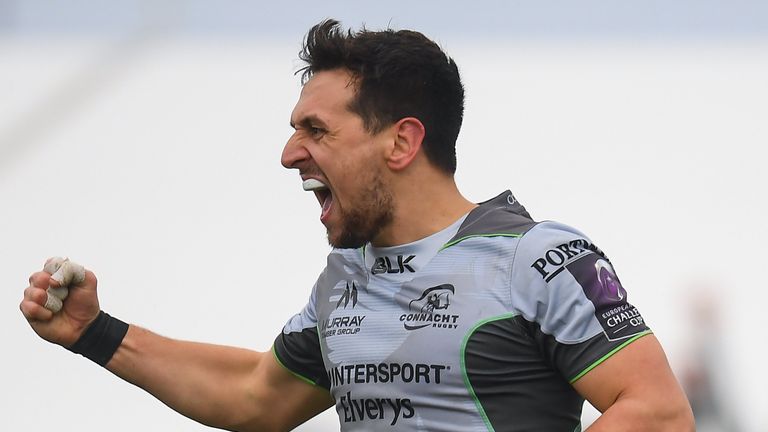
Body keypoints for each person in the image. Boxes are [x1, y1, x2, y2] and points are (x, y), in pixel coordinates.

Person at [20, 19, 694, 431]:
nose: (289, 154)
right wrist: (94, 332)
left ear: (401, 142)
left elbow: (659, 413)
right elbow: (255, 396)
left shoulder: (538, 257)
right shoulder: (343, 278)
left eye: (316, 130)